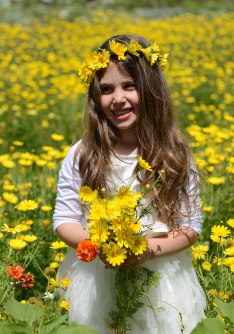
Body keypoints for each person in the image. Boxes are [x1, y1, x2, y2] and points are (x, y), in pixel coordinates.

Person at [52, 34, 206, 333]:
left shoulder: (175, 155)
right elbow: (64, 220)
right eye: (106, 89)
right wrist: (99, 245)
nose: (117, 98)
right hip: (95, 277)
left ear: (151, 90)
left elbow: (191, 225)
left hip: (162, 282)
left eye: (129, 86)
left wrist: (149, 250)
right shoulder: (83, 154)